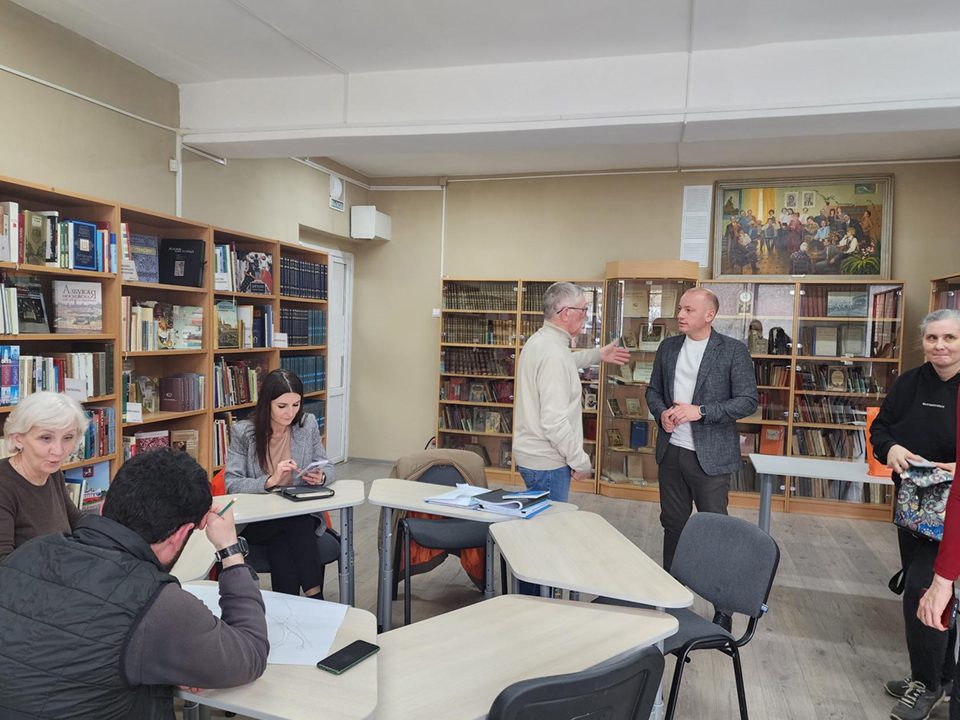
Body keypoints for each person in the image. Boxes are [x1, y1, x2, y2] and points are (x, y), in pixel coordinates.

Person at [0, 449, 269, 717]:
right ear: (181, 534)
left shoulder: (31, 551)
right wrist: (230, 550)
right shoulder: (156, 604)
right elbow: (250, 655)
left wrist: (159, 663)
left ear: (104, 506)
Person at [871, 309, 960, 720]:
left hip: (953, 509)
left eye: (950, 338)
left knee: (924, 590)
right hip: (912, 507)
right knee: (932, 590)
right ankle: (942, 676)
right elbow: (880, 430)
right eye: (932, 338)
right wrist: (890, 449)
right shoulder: (908, 382)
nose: (939, 346)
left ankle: (925, 684)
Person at [645, 288, 758, 578]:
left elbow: (747, 401)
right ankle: (673, 589)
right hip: (671, 451)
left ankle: (719, 595)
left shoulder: (733, 350)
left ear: (710, 315)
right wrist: (661, 413)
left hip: (711, 457)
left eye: (688, 310)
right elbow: (653, 391)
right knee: (673, 524)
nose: (680, 315)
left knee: (715, 527)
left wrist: (702, 411)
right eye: (680, 308)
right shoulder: (668, 348)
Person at [514, 282, 630, 503]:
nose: (586, 315)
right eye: (583, 309)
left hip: (534, 457)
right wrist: (581, 462)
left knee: (542, 521)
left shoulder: (541, 341)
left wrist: (597, 354)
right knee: (552, 522)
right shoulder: (554, 353)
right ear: (566, 313)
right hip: (548, 462)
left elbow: (566, 362)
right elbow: (554, 422)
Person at [225, 368, 335, 598]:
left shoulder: (307, 424)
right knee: (296, 523)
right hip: (258, 520)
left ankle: (289, 605)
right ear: (267, 403)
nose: (290, 413)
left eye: (296, 405)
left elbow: (329, 466)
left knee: (286, 536)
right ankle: (316, 598)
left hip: (294, 515)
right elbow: (232, 483)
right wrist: (270, 481)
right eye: (282, 406)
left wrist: (321, 476)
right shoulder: (243, 432)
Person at [0, 391, 89, 563]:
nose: (58, 450)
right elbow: (4, 565)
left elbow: (76, 520)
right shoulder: (4, 486)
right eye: (46, 438)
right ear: (18, 439)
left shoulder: (52, 473)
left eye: (68, 438)